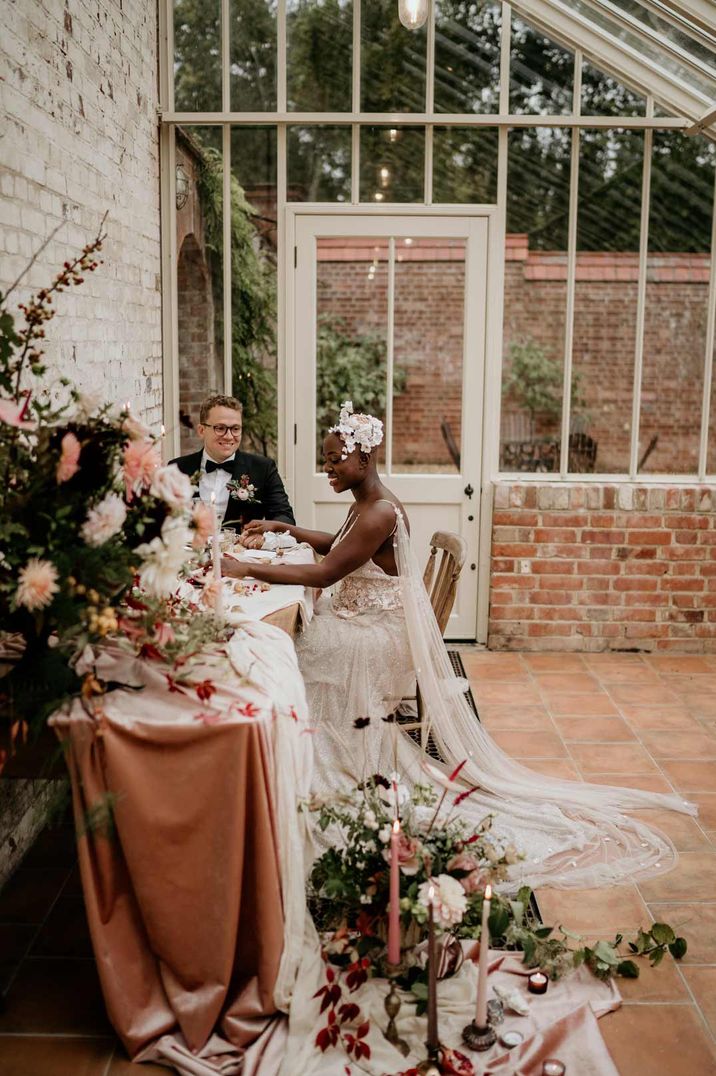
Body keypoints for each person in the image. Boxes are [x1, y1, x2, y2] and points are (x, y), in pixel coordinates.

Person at [223, 401, 697, 892]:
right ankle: (291, 750)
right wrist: (287, 529)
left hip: (378, 636)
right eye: (325, 459)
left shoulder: (379, 511)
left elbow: (325, 571)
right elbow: (337, 543)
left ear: (363, 458)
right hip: (363, 617)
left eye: (334, 459)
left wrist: (246, 568)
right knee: (295, 636)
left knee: (294, 645)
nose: (327, 468)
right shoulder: (367, 503)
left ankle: (303, 762)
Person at [170, 394, 295, 529]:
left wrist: (263, 532)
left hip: (243, 549)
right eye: (220, 428)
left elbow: (285, 518)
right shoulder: (176, 469)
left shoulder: (263, 468)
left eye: (235, 429)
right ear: (201, 431)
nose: (229, 436)